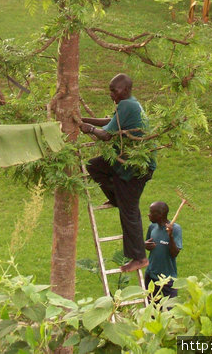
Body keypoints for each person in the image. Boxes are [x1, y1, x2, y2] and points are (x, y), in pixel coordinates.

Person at [79, 73, 156, 272]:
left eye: (114, 90)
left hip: (135, 167)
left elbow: (105, 134)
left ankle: (139, 258)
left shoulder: (127, 105)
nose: (111, 94)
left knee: (129, 211)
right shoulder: (129, 104)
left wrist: (87, 128)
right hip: (125, 161)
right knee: (95, 166)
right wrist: (82, 119)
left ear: (126, 89)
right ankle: (115, 197)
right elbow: (109, 122)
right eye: (110, 90)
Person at [144, 201, 182, 301]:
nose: (149, 214)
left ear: (160, 215)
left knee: (171, 310)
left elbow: (174, 253)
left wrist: (170, 236)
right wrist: (144, 245)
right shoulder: (152, 227)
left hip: (168, 278)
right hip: (151, 275)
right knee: (152, 308)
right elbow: (148, 245)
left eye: (151, 212)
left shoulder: (176, 229)